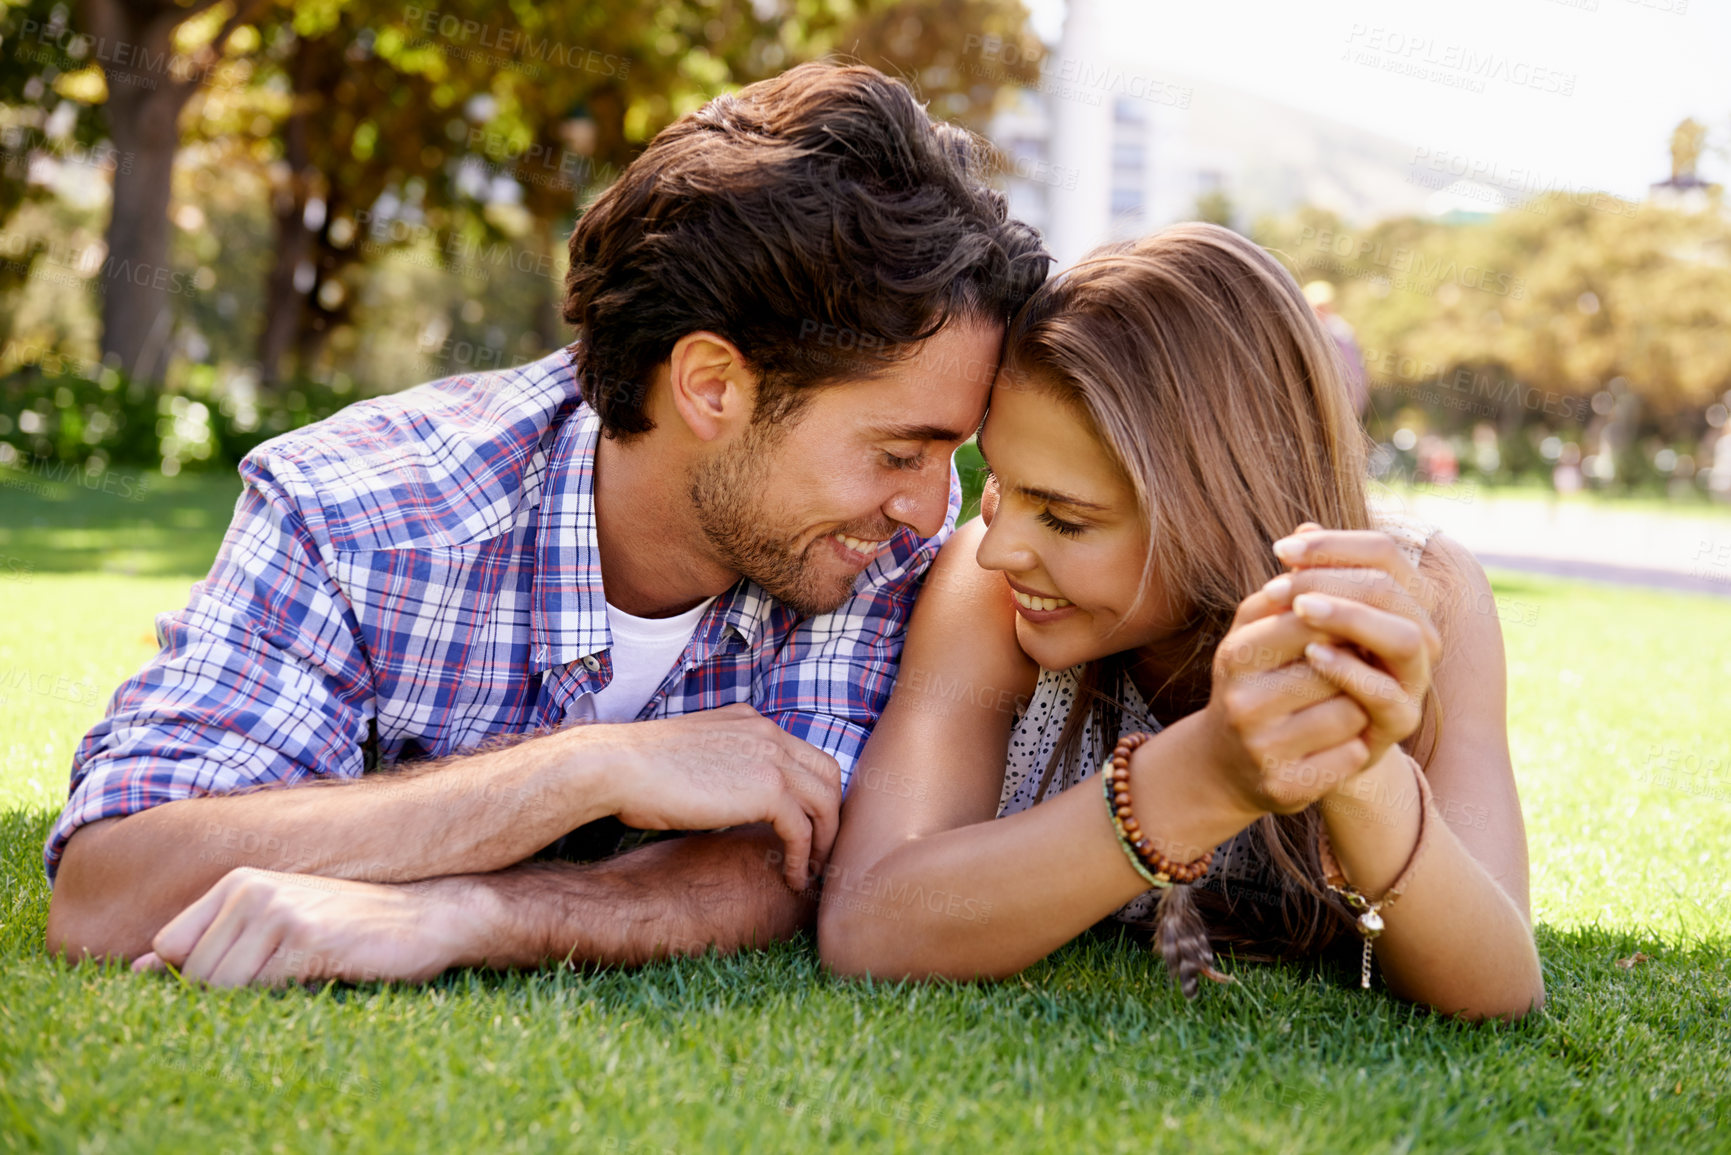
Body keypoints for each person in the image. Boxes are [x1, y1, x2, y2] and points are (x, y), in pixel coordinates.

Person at [43, 62, 1049, 988]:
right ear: (711, 386)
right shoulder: (359, 509)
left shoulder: (885, 542)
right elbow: (112, 888)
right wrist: (579, 772)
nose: (931, 507)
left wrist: (462, 914)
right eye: (896, 451)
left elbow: (785, 868)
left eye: (945, 455)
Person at [819, 224, 1543, 1021]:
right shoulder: (986, 592)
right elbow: (869, 922)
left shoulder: (1420, 599)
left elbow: (1499, 990)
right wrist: (1201, 775)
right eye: (1001, 484)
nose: (1001, 550)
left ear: (1222, 511)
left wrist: (1353, 764)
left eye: (1062, 517)